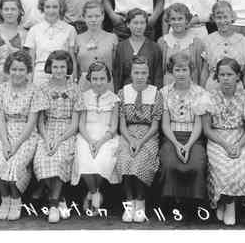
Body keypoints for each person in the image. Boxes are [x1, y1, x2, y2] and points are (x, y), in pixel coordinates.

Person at [202, 57, 245, 226]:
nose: (226, 78)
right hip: (217, 138)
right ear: (217, 76)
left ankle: (228, 203)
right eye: (222, 75)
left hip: (240, 138)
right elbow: (207, 129)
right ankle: (226, 203)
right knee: (223, 167)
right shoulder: (209, 97)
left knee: (243, 166)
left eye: (230, 74)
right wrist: (225, 145)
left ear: (238, 76)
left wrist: (238, 145)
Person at [0, 50, 39, 221]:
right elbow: (0, 120)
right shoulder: (0, 89)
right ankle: (5, 199)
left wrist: (16, 146)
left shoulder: (35, 91)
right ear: (8, 70)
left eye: (21, 69)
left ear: (28, 71)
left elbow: (32, 122)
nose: (17, 73)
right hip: (5, 133)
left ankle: (16, 200)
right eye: (14, 69)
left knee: (15, 165)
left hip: (26, 135)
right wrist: (6, 143)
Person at [33, 50, 82, 223]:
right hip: (47, 130)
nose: (59, 70)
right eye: (55, 67)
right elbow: (40, 121)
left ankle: (53, 205)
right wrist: (47, 139)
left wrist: (60, 139)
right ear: (49, 68)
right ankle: (60, 199)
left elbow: (75, 123)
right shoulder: (43, 88)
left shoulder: (75, 89)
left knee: (60, 158)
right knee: (42, 158)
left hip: (67, 131)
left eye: (62, 67)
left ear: (68, 68)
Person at [159, 53, 208, 212]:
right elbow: (165, 124)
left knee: (196, 165)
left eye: (184, 69)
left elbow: (198, 124)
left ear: (191, 70)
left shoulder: (200, 93)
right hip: (171, 137)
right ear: (171, 71)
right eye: (177, 70)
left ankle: (193, 204)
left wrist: (187, 146)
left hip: (194, 138)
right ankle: (172, 201)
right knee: (170, 164)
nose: (181, 74)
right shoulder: (164, 92)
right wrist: (176, 144)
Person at [117, 56, 163, 223]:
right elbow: (122, 125)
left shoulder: (156, 93)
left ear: (148, 73)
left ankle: (141, 201)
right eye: (136, 72)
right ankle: (129, 202)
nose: (140, 76)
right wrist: (131, 140)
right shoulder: (123, 93)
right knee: (125, 158)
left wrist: (140, 142)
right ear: (131, 73)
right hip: (128, 133)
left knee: (141, 158)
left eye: (143, 73)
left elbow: (155, 125)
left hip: (148, 134)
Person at [71, 61, 120, 214]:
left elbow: (113, 126)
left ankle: (93, 192)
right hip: (86, 135)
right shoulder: (84, 97)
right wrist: (91, 141)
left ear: (108, 79)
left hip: (106, 137)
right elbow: (81, 124)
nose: (98, 83)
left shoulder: (114, 99)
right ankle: (95, 192)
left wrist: (100, 143)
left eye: (102, 79)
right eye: (95, 79)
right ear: (90, 79)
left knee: (102, 160)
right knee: (84, 159)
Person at [24, 0, 77, 86]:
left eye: (55, 7)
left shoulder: (70, 29)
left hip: (62, 75)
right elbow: (31, 60)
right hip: (40, 77)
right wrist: (29, 82)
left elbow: (72, 58)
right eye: (47, 7)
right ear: (42, 8)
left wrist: (73, 81)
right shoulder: (34, 30)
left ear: (60, 8)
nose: (51, 11)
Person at [201, 1, 245, 92]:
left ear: (232, 17)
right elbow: (205, 71)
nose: (222, 21)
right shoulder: (207, 40)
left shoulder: (244, 41)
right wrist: (202, 93)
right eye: (219, 18)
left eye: (225, 17)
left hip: (236, 90)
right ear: (214, 19)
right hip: (213, 90)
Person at [113, 8, 163, 92]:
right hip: (127, 93)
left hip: (149, 92)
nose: (139, 26)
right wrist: (118, 95)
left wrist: (156, 95)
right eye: (135, 23)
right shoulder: (121, 47)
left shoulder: (154, 47)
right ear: (128, 24)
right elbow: (117, 76)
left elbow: (158, 76)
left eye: (142, 23)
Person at [75, 1, 118, 92]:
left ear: (103, 16)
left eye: (97, 16)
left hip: (106, 82)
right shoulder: (77, 39)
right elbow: (76, 65)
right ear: (84, 17)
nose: (93, 20)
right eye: (89, 16)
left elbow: (115, 64)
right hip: (84, 83)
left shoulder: (112, 38)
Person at [158, 3, 204, 85]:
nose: (177, 22)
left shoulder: (196, 42)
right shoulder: (162, 42)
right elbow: (160, 70)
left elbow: (199, 70)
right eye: (173, 19)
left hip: (190, 87)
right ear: (169, 21)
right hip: (168, 87)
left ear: (187, 20)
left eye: (180, 19)